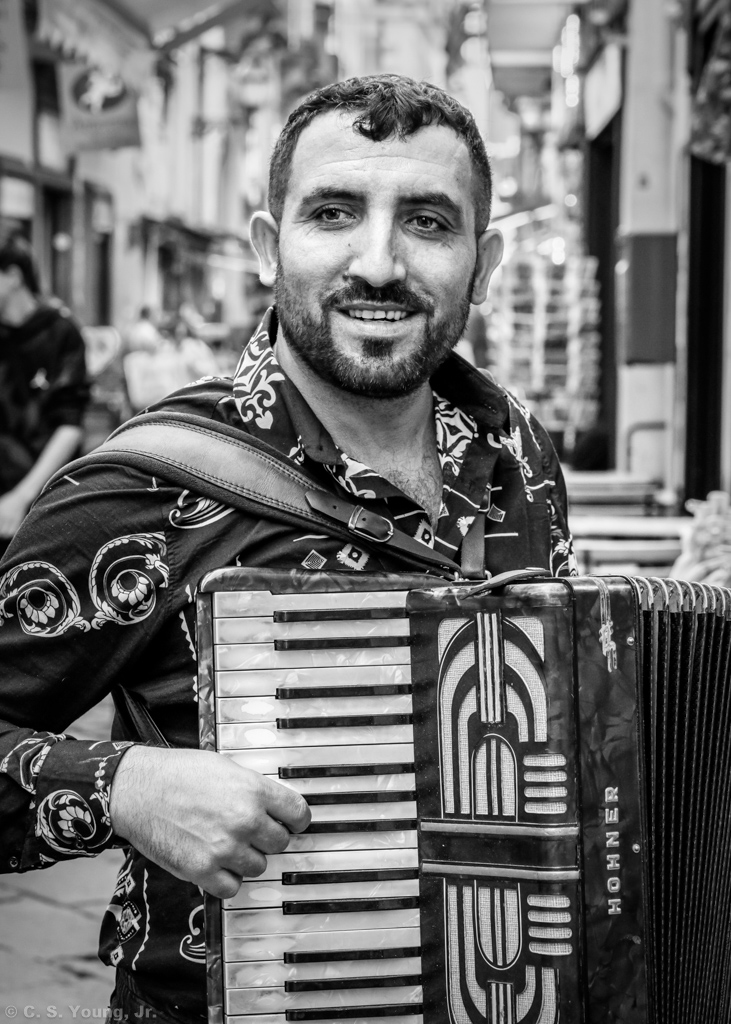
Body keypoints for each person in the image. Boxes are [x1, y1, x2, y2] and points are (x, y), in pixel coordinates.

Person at [0, 76, 576, 1022]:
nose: (380, 264)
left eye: (428, 222)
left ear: (486, 259)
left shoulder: (517, 450)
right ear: (271, 247)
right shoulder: (145, 485)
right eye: (334, 212)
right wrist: (124, 786)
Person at [0, 237, 89, 556]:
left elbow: (70, 425)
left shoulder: (60, 333)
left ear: (12, 276)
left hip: (46, 502)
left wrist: (21, 498)